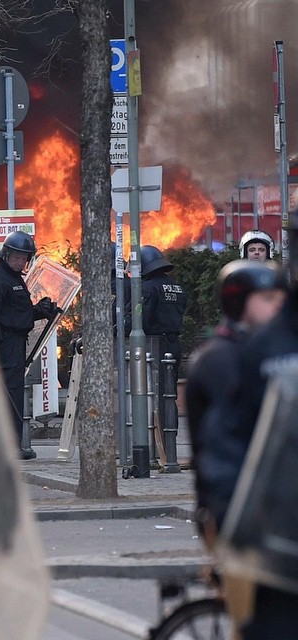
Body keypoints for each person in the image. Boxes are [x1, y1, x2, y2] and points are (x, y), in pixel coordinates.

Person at [199, 217, 298, 639]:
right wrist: (232, 517)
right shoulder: (238, 355)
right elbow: (226, 440)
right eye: (265, 298)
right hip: (262, 524)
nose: (274, 306)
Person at [185, 259, 286, 539]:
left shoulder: (270, 351)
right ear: (237, 301)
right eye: (267, 298)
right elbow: (225, 446)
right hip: (237, 506)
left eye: (280, 298)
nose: (277, 306)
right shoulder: (219, 359)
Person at [0, 230, 56, 460]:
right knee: (8, 395)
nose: (20, 261)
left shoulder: (15, 278)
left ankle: (12, 445)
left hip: (16, 343)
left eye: (24, 258)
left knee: (14, 395)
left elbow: (18, 313)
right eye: (17, 257)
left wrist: (40, 311)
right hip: (4, 345)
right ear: (6, 255)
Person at [125, 245, 188, 431]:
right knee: (169, 394)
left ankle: (154, 439)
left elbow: (138, 320)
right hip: (173, 345)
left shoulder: (146, 288)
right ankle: (169, 438)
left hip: (153, 347)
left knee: (151, 394)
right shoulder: (176, 286)